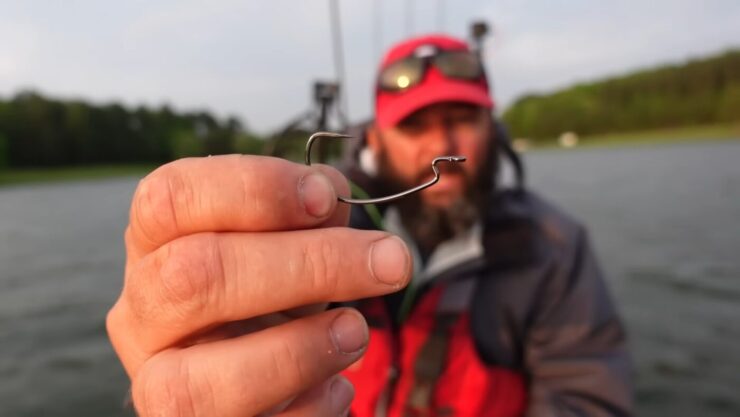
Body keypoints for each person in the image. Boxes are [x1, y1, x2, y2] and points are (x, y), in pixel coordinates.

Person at [106, 34, 632, 417]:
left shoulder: (554, 247)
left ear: (492, 131)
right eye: (415, 124)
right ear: (376, 139)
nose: (442, 142)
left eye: (462, 119)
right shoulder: (319, 228)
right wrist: (193, 356)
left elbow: (588, 396)